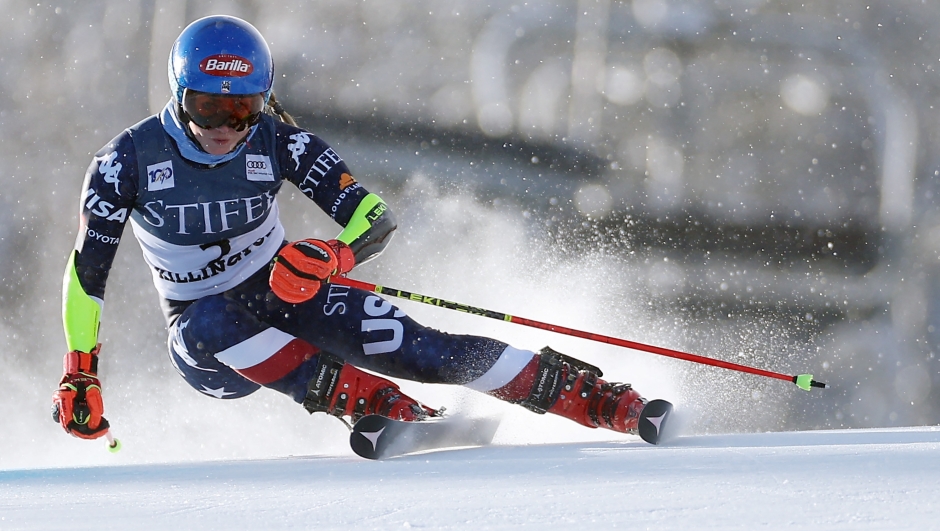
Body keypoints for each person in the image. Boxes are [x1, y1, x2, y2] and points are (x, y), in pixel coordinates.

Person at [52, 15, 649, 446]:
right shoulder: (124, 161)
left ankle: (594, 399)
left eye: (244, 109)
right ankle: (378, 403)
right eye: (210, 107)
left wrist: (334, 256)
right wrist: (80, 368)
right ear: (180, 95)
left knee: (421, 346)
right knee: (207, 320)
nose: (226, 127)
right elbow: (87, 275)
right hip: (208, 345)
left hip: (285, 292)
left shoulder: (279, 141)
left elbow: (373, 215)